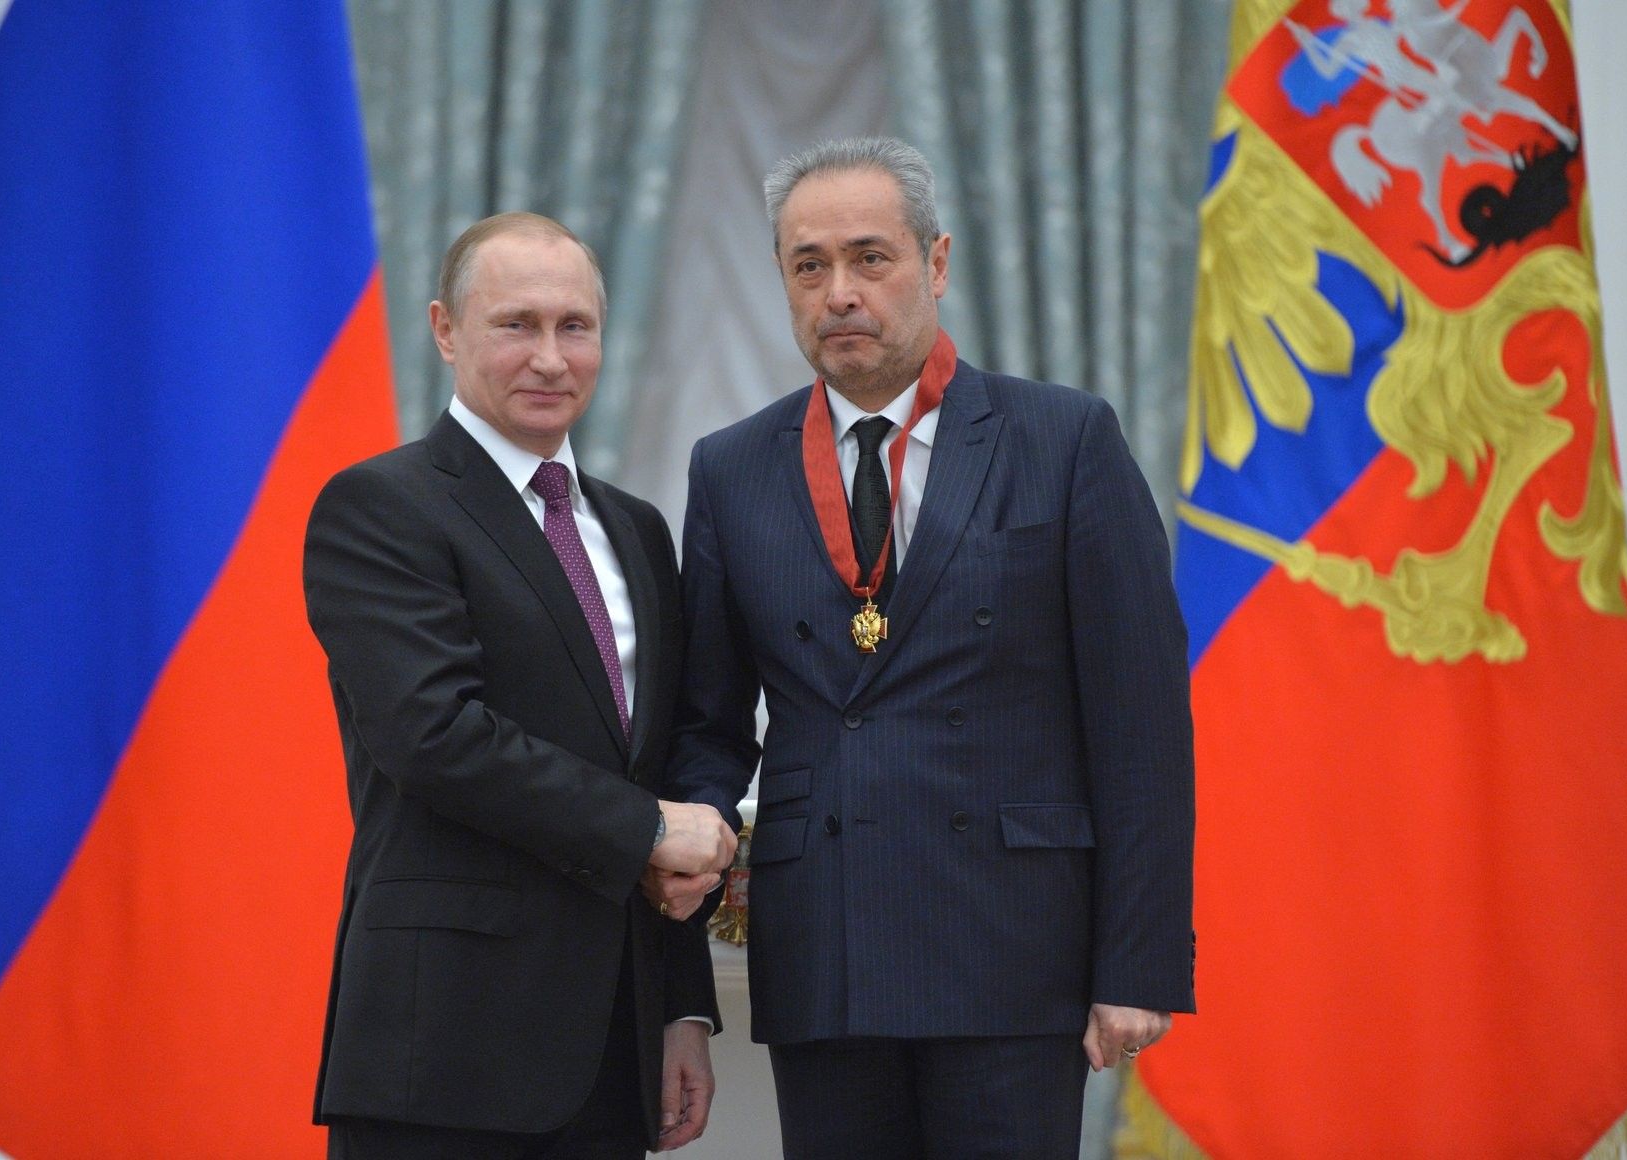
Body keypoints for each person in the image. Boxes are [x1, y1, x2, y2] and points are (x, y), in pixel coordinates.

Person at [660, 138, 1196, 1158]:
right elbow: (707, 722)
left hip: (1011, 947)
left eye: (870, 257)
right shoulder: (730, 468)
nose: (840, 291)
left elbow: (1139, 721)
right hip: (826, 950)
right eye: (808, 265)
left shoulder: (1063, 439)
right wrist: (682, 859)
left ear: (935, 263)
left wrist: (1135, 960)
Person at [304, 212, 738, 1159]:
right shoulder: (381, 507)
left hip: (615, 1050)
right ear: (445, 330)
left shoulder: (637, 530)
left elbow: (655, 762)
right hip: (447, 1055)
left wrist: (681, 1013)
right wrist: (654, 830)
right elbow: (435, 734)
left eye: (574, 326)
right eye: (517, 325)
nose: (551, 357)